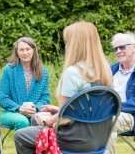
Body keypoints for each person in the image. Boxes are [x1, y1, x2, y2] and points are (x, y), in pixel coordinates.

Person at [14, 21, 113, 153]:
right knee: (35, 119)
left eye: (67, 42)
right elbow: (90, 108)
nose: (66, 46)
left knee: (20, 135)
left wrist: (47, 121)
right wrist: (58, 109)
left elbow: (65, 117)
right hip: (99, 138)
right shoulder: (105, 70)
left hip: (74, 140)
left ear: (75, 45)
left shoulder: (73, 72)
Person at [0, 36, 50, 131]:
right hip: (10, 111)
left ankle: (40, 146)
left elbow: (45, 98)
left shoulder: (42, 71)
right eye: (21, 50)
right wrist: (18, 108)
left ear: (33, 51)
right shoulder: (9, 70)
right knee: (22, 121)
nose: (25, 53)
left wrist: (36, 108)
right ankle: (22, 146)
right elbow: (1, 96)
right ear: (17, 52)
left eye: (27, 49)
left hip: (33, 112)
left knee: (45, 119)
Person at [104, 32, 135, 154]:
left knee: (107, 121)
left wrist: (113, 108)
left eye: (122, 47)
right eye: (115, 48)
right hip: (106, 112)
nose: (118, 51)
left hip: (130, 115)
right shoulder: (110, 70)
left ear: (134, 47)